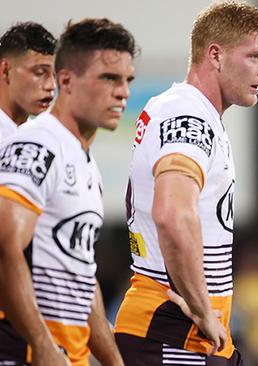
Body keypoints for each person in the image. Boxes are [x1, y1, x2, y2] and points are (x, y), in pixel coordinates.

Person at [113, 2, 258, 365]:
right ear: (216, 55)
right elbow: (172, 214)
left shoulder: (190, 111)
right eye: (256, 56)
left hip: (182, 331)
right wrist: (204, 310)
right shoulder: (186, 113)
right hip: (174, 332)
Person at [0, 18, 136, 366]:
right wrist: (41, 344)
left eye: (127, 80)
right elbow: (4, 246)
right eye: (109, 78)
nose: (122, 92)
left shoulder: (86, 162)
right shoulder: (37, 143)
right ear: (67, 81)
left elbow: (82, 278)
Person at [0, 22, 56, 140]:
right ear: (5, 71)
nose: (52, 86)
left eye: (55, 75)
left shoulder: (43, 139)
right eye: (40, 72)